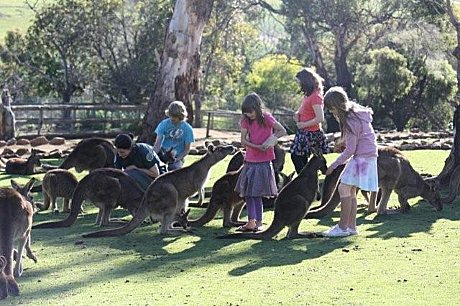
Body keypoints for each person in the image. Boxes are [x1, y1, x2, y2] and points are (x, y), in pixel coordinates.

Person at [322, 87, 378, 237]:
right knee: (350, 190)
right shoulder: (356, 112)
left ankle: (342, 227)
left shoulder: (349, 120)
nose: (331, 113)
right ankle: (351, 227)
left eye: (332, 109)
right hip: (368, 156)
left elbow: (350, 150)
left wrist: (333, 166)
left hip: (362, 158)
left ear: (337, 105)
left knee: (344, 189)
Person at [234, 92, 287, 232]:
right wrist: (257, 147)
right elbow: (243, 140)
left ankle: (258, 222)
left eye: (250, 112)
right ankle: (251, 221)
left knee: (256, 193)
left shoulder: (267, 118)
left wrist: (271, 140)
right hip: (250, 160)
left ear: (257, 108)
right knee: (248, 193)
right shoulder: (246, 121)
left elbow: (282, 131)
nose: (249, 115)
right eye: (246, 113)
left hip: (263, 162)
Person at [290, 68, 329, 174]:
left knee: (297, 156)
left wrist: (304, 124)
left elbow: (320, 118)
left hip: (310, 133)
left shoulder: (315, 97)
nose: (299, 85)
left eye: (300, 83)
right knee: (299, 157)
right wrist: (298, 114)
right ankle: (307, 178)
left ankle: (305, 179)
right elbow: (306, 109)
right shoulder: (308, 95)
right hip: (303, 132)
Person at [153, 101, 195, 171]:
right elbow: (157, 144)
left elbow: (186, 149)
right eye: (171, 116)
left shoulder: (188, 129)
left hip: (177, 157)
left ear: (181, 116)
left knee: (174, 169)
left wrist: (176, 159)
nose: (172, 119)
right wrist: (152, 157)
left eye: (175, 117)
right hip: (163, 155)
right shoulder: (164, 124)